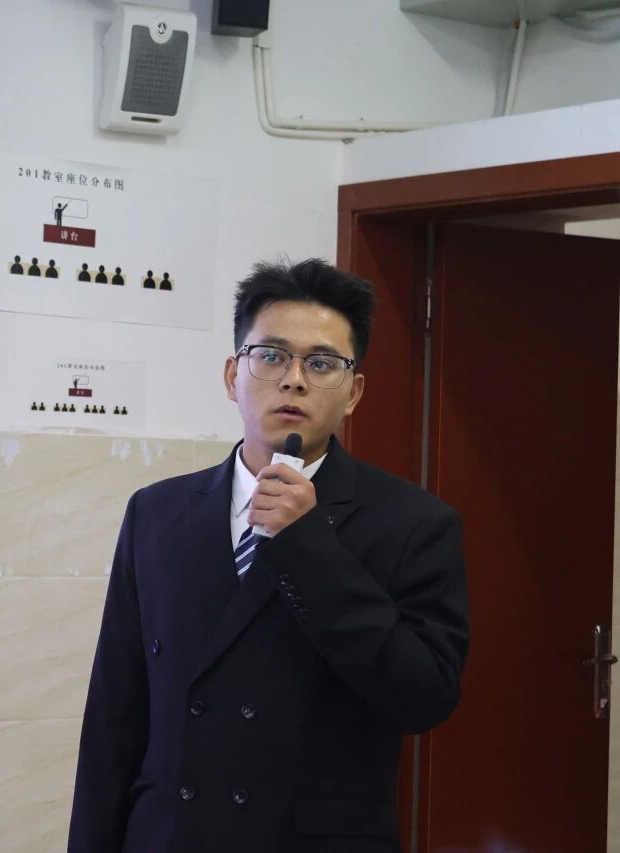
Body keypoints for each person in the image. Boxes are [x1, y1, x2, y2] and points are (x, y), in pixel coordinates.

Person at [68, 258, 469, 852]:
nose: (294, 380)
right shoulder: (157, 512)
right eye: (272, 356)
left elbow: (423, 697)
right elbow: (113, 714)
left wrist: (311, 549)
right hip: (169, 836)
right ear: (233, 376)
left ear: (353, 393)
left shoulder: (414, 523)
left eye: (322, 363)